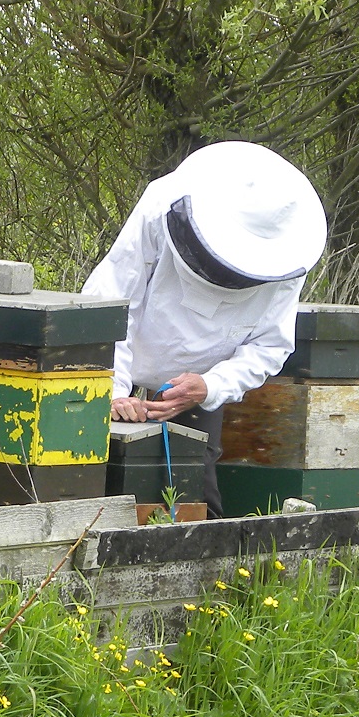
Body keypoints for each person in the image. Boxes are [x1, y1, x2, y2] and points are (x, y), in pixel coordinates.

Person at [81, 141, 328, 517]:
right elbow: (110, 303)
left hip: (200, 381)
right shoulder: (163, 204)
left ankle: (211, 572)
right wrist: (113, 391)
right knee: (91, 474)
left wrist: (210, 386)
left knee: (196, 488)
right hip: (120, 358)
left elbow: (270, 346)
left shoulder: (286, 260)